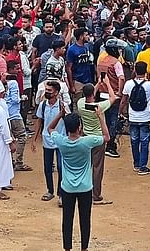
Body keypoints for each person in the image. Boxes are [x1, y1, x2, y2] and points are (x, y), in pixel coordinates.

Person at [47, 96, 110, 251]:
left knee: (67, 219)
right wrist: (101, 117)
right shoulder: (86, 142)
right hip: (85, 187)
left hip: (67, 187)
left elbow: (50, 129)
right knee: (85, 220)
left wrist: (60, 115)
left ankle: (67, 248)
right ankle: (84, 248)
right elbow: (106, 137)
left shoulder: (61, 141)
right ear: (79, 127)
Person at [76, 77, 116, 204]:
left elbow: (90, 94)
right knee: (97, 167)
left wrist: (98, 83)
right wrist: (108, 84)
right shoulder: (99, 106)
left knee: (86, 165)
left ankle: (84, 189)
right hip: (98, 138)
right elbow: (113, 98)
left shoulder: (80, 104)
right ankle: (95, 194)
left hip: (86, 137)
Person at [31, 79, 68, 204]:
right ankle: (50, 190)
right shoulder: (42, 105)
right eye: (46, 90)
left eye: (49, 91)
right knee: (47, 167)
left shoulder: (63, 106)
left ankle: (60, 193)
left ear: (57, 92)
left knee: (60, 167)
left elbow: (69, 122)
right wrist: (34, 139)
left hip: (60, 139)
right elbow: (39, 121)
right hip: (47, 139)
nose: (47, 92)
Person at [120, 61, 150, 175]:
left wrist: (120, 113)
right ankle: (143, 166)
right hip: (146, 117)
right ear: (146, 71)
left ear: (135, 70)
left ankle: (136, 164)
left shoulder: (128, 84)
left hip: (133, 117)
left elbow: (124, 100)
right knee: (145, 142)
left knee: (134, 141)